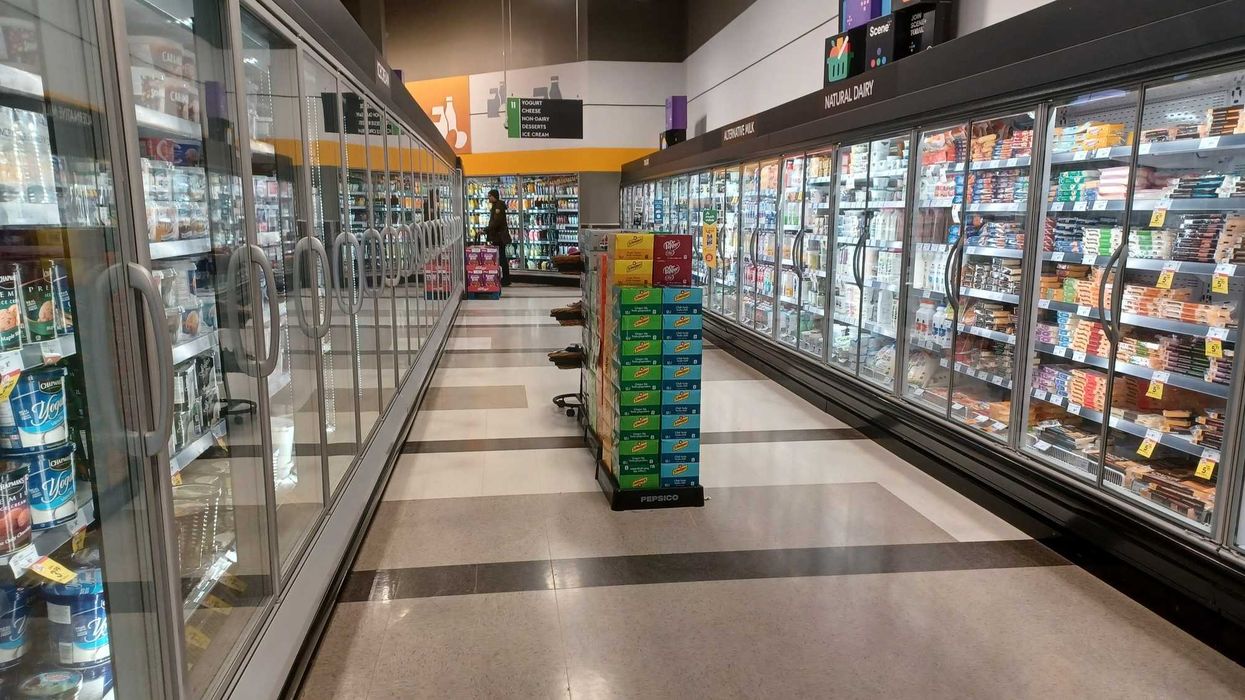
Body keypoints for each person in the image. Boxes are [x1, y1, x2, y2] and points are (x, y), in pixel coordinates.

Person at [484, 189, 512, 286]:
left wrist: (486, 230)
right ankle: (504, 278)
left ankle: (506, 279)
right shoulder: (496, 205)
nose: (488, 198)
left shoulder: (498, 206)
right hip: (498, 236)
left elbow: (496, 222)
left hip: (499, 237)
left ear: (494, 196)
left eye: (489, 196)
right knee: (501, 257)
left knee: (502, 258)